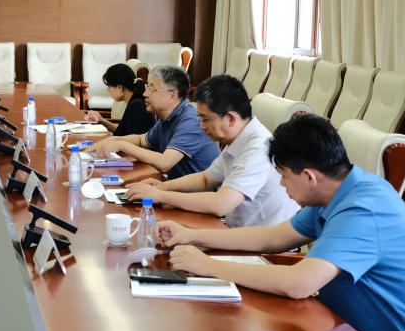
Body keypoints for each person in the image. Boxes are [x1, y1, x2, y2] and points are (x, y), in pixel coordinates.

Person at [159, 114, 405, 331]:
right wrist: (191, 234)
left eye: (283, 175)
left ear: (310, 177)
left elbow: (299, 284)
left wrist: (207, 265)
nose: (281, 184)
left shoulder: (364, 209)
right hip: (346, 330)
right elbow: (272, 237)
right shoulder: (335, 191)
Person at [126, 75, 298, 228]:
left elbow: (220, 204)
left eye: (205, 119)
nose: (201, 126)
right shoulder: (239, 138)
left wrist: (162, 196)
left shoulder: (258, 148)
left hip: (260, 246)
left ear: (230, 118)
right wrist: (162, 186)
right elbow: (206, 179)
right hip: (235, 232)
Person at [91, 65, 219, 179]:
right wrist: (112, 140)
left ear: (172, 96)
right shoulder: (166, 116)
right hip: (171, 185)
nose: (145, 94)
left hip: (197, 195)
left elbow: (165, 163)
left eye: (152, 89)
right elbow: (141, 140)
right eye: (147, 87)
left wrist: (121, 145)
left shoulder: (191, 120)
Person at [83, 63, 156, 136]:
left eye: (109, 86)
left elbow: (133, 139)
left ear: (120, 87)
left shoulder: (137, 106)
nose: (107, 90)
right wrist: (101, 120)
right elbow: (123, 130)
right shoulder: (135, 101)